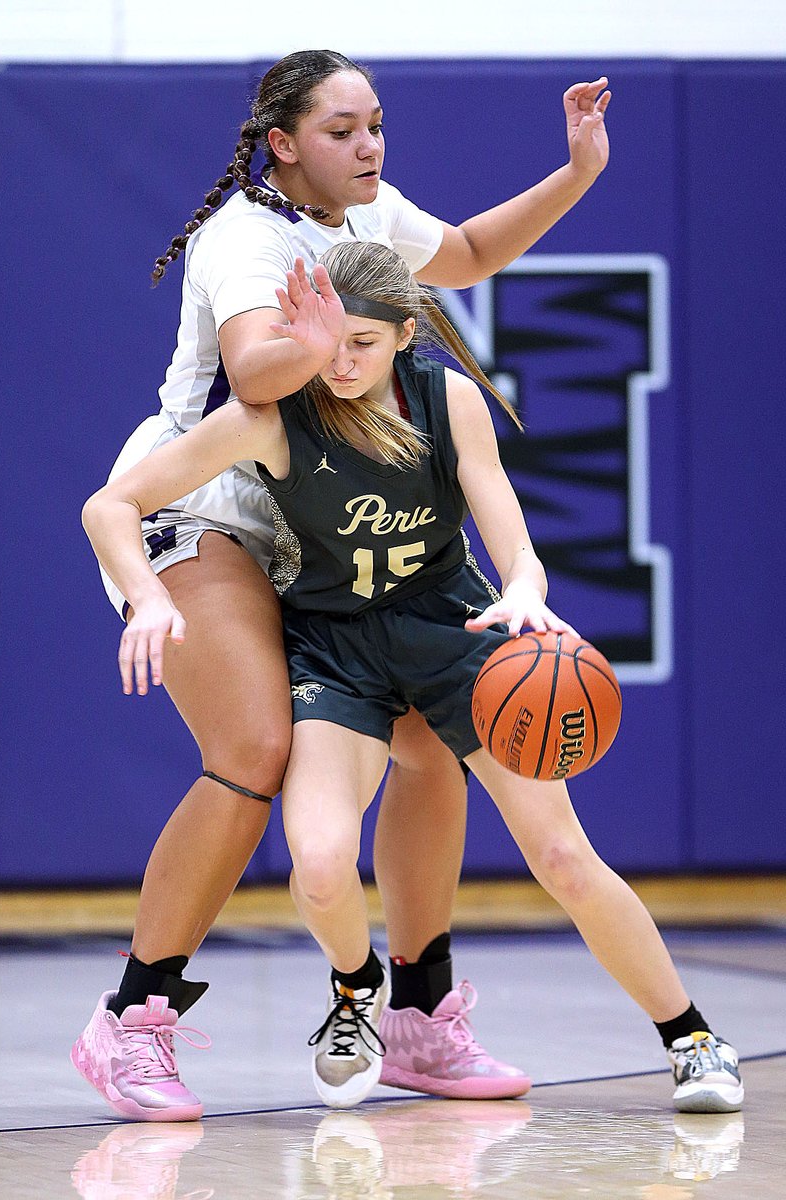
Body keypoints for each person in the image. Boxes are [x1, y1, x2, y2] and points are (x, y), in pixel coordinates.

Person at [81, 241, 744, 1114]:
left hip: (452, 632)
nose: (341, 363)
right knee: (318, 863)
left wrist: (527, 586)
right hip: (336, 649)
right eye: (326, 341)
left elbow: (496, 503)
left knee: (560, 854)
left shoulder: (448, 399)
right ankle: (360, 997)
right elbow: (111, 504)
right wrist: (147, 596)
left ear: (405, 335)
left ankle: (692, 1037)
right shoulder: (272, 413)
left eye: (363, 343)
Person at [73, 47, 613, 1118]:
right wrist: (310, 341)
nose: (367, 146)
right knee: (254, 752)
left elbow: (457, 255)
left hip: (307, 521)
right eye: (340, 130)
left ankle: (417, 1018)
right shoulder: (244, 238)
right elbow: (256, 373)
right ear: (282, 144)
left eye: (375, 124)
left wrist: (576, 172)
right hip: (209, 503)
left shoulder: (358, 212)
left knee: (421, 739)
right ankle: (132, 1020)